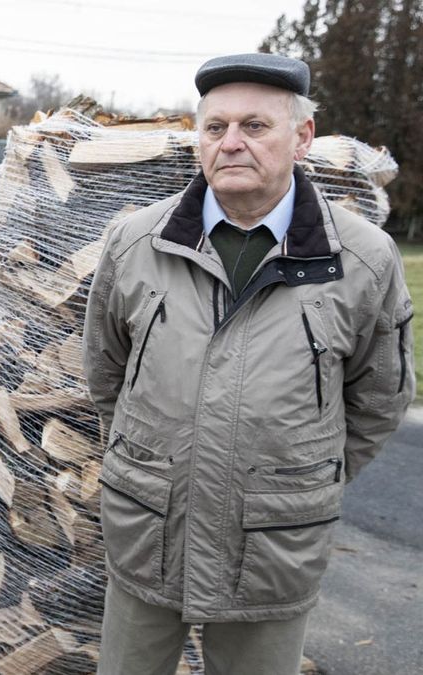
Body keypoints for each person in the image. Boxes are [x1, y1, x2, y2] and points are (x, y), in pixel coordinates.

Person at [83, 53, 414, 674]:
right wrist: (145, 459)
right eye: (216, 127)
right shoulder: (137, 242)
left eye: (255, 126)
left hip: (274, 543)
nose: (231, 142)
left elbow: (379, 399)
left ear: (302, 137)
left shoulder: (364, 259)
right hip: (151, 527)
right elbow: (106, 372)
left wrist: (304, 480)